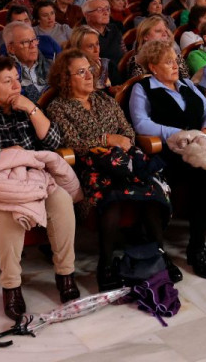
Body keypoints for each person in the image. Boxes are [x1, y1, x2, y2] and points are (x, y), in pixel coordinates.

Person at [0, 55, 81, 318]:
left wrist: (31, 108)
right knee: (11, 210)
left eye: (17, 79)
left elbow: (54, 141)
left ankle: (65, 274)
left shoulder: (23, 108)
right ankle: (11, 287)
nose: (16, 86)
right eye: (7, 81)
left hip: (31, 183)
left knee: (62, 198)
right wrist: (5, 153)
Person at [46, 49, 177, 290]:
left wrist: (119, 142)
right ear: (66, 78)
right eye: (81, 72)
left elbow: (127, 132)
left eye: (90, 70)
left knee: (150, 189)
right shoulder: (58, 107)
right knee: (112, 196)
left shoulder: (104, 100)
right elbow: (71, 143)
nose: (89, 76)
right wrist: (107, 140)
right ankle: (105, 264)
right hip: (90, 166)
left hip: (125, 161)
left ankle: (158, 253)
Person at [129, 40, 206, 279]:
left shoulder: (186, 84)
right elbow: (141, 123)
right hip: (167, 152)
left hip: (200, 147)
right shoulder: (143, 88)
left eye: (175, 60)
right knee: (204, 173)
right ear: (153, 67)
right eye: (168, 62)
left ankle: (198, 248)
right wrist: (180, 134)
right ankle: (189, 248)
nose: (175, 66)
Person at [3, 21, 53, 101]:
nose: (33, 46)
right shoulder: (5, 75)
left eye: (34, 40)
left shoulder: (51, 65)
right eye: (25, 42)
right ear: (11, 49)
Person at [68, 25, 119, 90]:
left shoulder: (109, 65)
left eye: (97, 44)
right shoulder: (77, 74)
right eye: (90, 46)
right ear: (78, 49)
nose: (96, 50)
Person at [82, 0, 127, 69]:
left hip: (121, 71)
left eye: (107, 9)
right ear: (87, 15)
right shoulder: (83, 35)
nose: (106, 13)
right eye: (100, 10)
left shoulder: (114, 28)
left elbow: (124, 53)